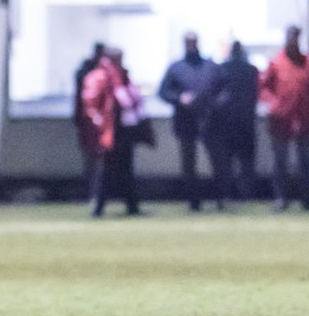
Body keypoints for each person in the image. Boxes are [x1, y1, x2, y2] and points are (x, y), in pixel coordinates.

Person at [82, 46, 153, 217]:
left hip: (124, 129)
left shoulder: (122, 76)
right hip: (109, 130)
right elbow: (91, 103)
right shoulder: (100, 77)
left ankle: (131, 205)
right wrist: (99, 124)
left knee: (127, 169)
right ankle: (98, 207)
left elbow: (131, 99)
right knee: (105, 170)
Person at [260, 25, 309, 211]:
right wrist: (272, 103)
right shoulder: (276, 63)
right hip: (281, 119)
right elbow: (264, 87)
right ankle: (281, 199)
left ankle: (307, 199)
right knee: (280, 161)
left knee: (305, 160)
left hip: (303, 119)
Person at [159, 32, 222, 211]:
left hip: (210, 121)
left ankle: (220, 198)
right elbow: (163, 92)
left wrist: (214, 104)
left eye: (193, 42)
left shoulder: (211, 67)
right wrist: (179, 98)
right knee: (188, 163)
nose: (191, 45)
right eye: (188, 42)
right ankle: (193, 201)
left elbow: (224, 90)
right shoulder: (176, 68)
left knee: (217, 161)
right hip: (185, 122)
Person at [208, 41, 260, 207]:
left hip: (227, 123)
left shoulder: (221, 69)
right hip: (244, 122)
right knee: (244, 162)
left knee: (227, 163)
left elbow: (214, 94)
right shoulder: (251, 71)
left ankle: (226, 195)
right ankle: (245, 195)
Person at [73, 42, 106, 185]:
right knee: (92, 155)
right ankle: (92, 187)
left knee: (99, 155)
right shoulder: (88, 72)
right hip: (89, 119)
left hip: (100, 118)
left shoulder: (95, 71)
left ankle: (97, 187)